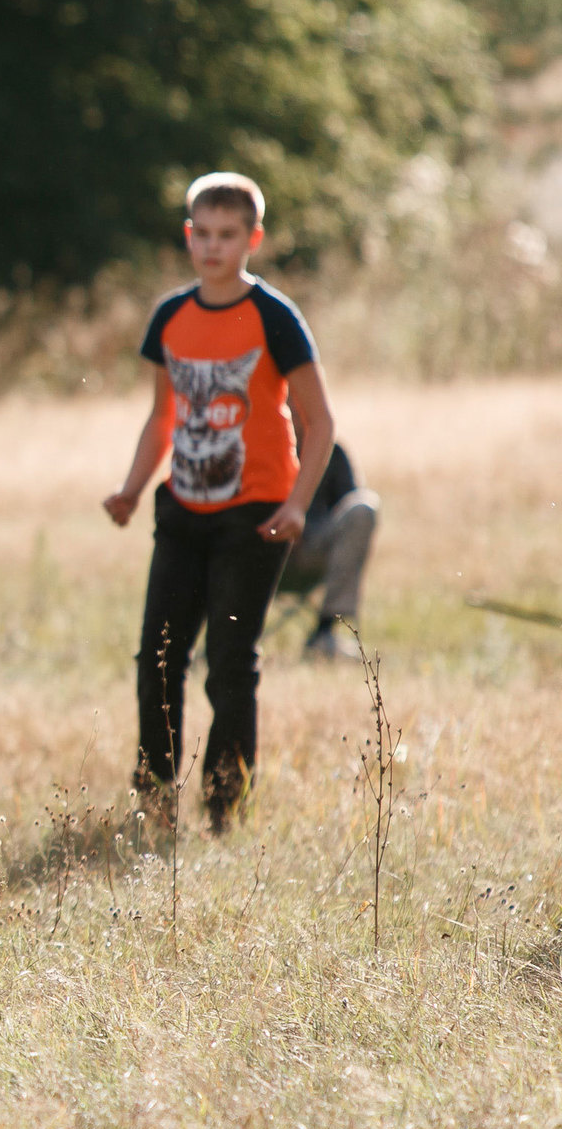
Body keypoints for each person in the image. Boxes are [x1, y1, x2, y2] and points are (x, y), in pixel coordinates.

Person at [103, 171, 335, 834]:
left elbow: (320, 422)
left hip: (254, 514)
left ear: (252, 239)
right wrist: (130, 486)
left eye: (227, 235)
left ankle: (224, 808)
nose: (212, 246)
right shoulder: (170, 318)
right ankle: (153, 800)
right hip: (182, 510)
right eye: (202, 233)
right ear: (187, 235)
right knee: (158, 659)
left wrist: (295, 505)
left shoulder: (274, 318)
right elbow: (161, 419)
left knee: (231, 665)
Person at [295, 440, 380, 660]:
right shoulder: (259, 445)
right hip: (261, 548)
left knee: (363, 508)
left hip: (313, 549)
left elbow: (352, 501)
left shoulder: (333, 452)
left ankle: (326, 630)